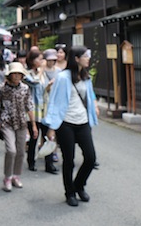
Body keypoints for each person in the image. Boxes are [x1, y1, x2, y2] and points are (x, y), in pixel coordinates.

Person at [44, 45, 99, 207]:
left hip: (83, 122)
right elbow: (54, 102)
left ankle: (79, 185)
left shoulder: (86, 76)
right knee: (69, 160)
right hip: (66, 123)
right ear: (76, 59)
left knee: (90, 158)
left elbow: (91, 95)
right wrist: (51, 127)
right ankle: (70, 192)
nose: (88, 58)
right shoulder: (63, 77)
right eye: (85, 56)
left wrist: (94, 106)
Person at [0, 62, 37, 192]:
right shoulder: (2, 88)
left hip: (22, 122)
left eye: (19, 74)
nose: (17, 76)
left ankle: (16, 176)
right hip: (7, 122)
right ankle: (7, 176)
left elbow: (29, 107)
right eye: (14, 74)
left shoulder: (25, 88)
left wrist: (33, 125)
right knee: (11, 150)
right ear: (10, 75)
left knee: (20, 151)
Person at [25, 49, 58, 174]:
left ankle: (49, 165)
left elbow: (44, 89)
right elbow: (34, 83)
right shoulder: (26, 73)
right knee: (34, 136)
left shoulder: (41, 73)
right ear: (32, 60)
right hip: (33, 109)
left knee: (47, 136)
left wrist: (49, 85)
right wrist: (42, 71)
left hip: (45, 108)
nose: (41, 62)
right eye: (39, 59)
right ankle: (31, 162)